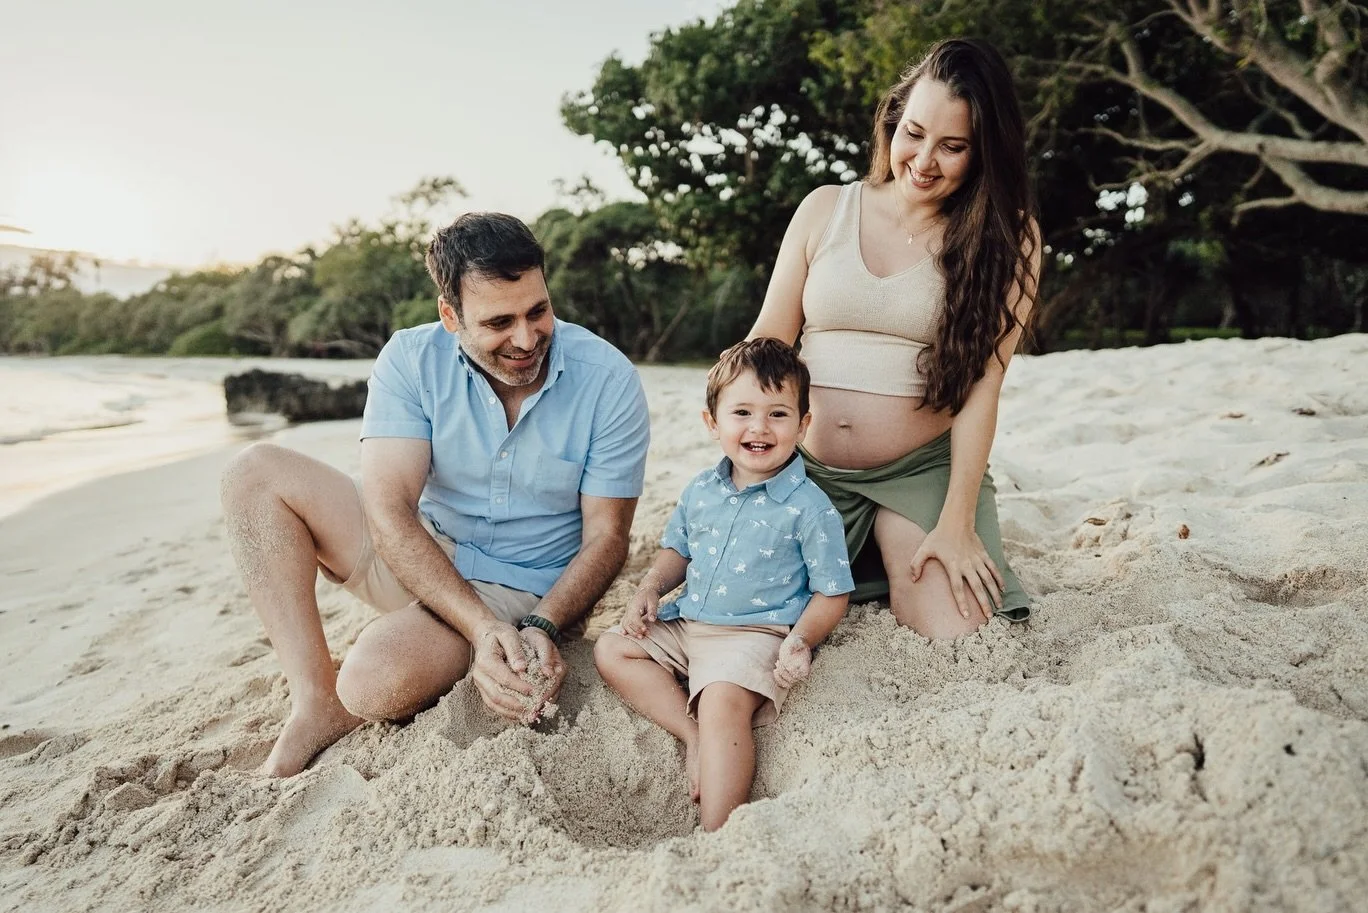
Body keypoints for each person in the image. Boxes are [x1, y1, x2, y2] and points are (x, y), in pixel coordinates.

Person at [220, 212, 650, 777]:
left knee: (374, 683)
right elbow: (389, 510)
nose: (526, 339)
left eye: (538, 311)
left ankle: (402, 657)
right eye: (499, 322)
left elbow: (608, 537)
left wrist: (540, 625)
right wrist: (477, 627)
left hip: (524, 588)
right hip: (423, 550)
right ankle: (312, 702)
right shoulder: (410, 358)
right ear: (450, 316)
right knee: (254, 472)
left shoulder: (608, 379)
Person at [747, 37, 1039, 640]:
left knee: (957, 629)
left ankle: (895, 542)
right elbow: (765, 349)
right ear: (891, 122)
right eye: (913, 132)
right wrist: (745, 475)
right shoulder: (824, 208)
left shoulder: (1010, 240)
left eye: (952, 147)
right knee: (741, 610)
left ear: (984, 154)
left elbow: (984, 389)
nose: (924, 160)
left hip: (923, 471)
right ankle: (865, 557)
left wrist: (956, 522)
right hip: (803, 468)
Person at [595, 338, 854, 831]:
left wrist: (801, 639)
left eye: (778, 414)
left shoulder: (809, 507)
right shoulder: (701, 489)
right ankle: (689, 734)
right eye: (742, 412)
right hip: (690, 622)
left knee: (721, 704)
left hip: (754, 634)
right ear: (713, 423)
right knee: (613, 649)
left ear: (803, 426)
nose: (759, 427)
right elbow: (678, 551)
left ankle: (718, 833)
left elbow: (832, 591)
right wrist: (650, 587)